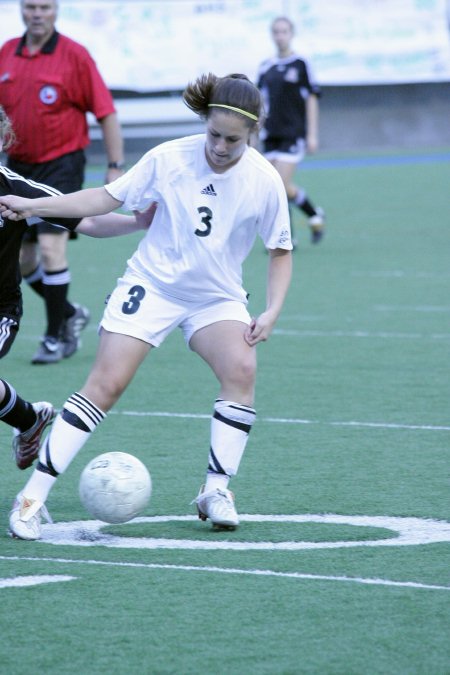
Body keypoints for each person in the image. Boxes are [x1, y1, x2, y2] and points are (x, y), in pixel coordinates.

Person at [0, 72, 293, 541]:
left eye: (232, 140)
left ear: (252, 133)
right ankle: (32, 499)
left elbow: (280, 251)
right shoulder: (168, 158)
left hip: (215, 297)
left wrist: (273, 308)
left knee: (241, 368)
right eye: (213, 134)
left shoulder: (264, 180)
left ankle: (215, 490)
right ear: (204, 122)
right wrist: (36, 208)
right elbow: (103, 199)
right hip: (151, 285)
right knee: (106, 384)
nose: (219, 146)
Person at [0, 104, 155, 473]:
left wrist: (138, 222)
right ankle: (28, 420)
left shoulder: (14, 189)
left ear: (3, 140)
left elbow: (86, 219)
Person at [0, 0, 125, 364]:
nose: (37, 14)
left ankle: (54, 336)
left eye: (45, 7)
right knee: (23, 260)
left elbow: (106, 112)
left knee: (53, 249)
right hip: (18, 168)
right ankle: (68, 312)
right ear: (22, 10)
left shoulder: (75, 55)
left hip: (62, 165)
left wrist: (115, 165)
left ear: (56, 10)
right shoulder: (7, 53)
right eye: (30, 7)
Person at [256, 16, 325, 245]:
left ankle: (287, 238)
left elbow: (312, 99)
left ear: (291, 34)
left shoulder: (301, 64)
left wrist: (312, 134)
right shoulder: (266, 67)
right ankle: (314, 214)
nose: (280, 36)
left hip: (293, 133)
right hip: (271, 135)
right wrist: (254, 135)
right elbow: (260, 104)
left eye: (284, 31)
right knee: (278, 186)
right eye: (276, 31)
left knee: (279, 185)